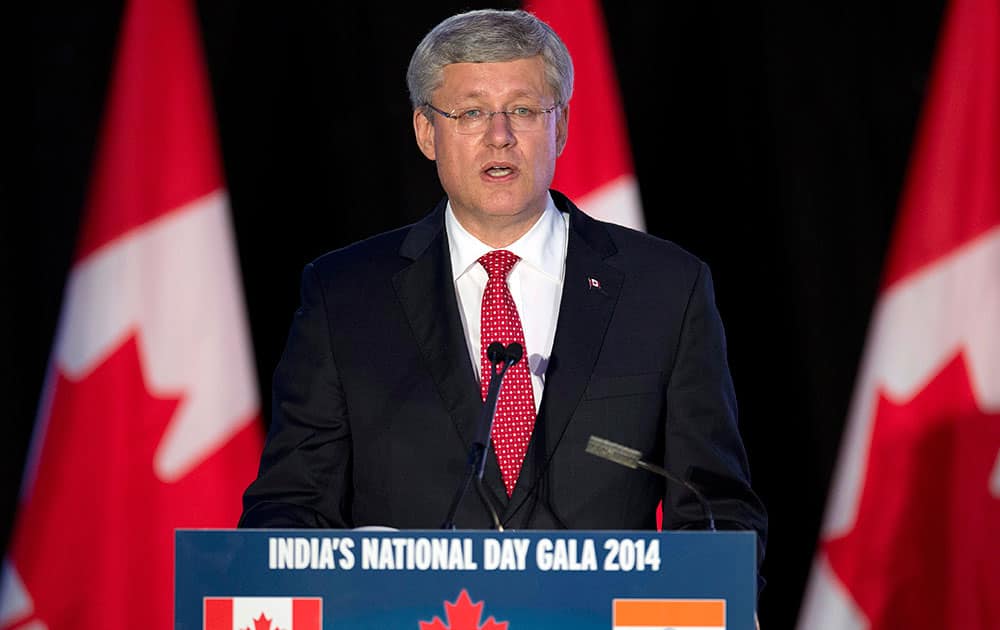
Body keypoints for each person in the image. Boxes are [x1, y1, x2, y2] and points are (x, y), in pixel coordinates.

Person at [240, 7, 767, 591]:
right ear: (425, 131)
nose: (499, 135)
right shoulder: (344, 296)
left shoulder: (666, 288)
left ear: (560, 126)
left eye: (522, 109)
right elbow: (290, 511)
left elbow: (715, 508)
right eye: (470, 113)